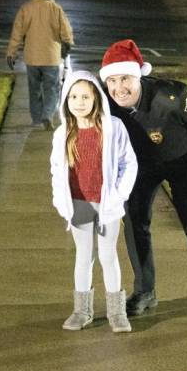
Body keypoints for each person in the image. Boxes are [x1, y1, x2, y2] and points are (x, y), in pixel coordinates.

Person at [99, 39, 187, 326]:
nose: (119, 87)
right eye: (111, 80)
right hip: (140, 168)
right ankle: (145, 292)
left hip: (183, 162)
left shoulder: (173, 98)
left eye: (125, 78)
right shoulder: (105, 103)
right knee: (134, 223)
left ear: (139, 75)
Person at [50, 70, 138, 333]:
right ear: (66, 100)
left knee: (108, 256)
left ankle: (117, 312)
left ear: (96, 98)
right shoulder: (63, 133)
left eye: (85, 96)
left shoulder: (113, 128)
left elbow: (128, 163)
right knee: (84, 256)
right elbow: (56, 169)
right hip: (79, 204)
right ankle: (82, 311)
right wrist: (60, 200)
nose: (79, 102)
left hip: (107, 204)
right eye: (73, 96)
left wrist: (119, 195)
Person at [6, 0, 74, 130]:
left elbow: (17, 33)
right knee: (52, 88)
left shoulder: (25, 8)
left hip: (32, 57)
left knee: (34, 88)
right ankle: (47, 115)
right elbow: (66, 30)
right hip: (51, 57)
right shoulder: (55, 8)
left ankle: (36, 118)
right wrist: (67, 44)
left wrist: (11, 53)